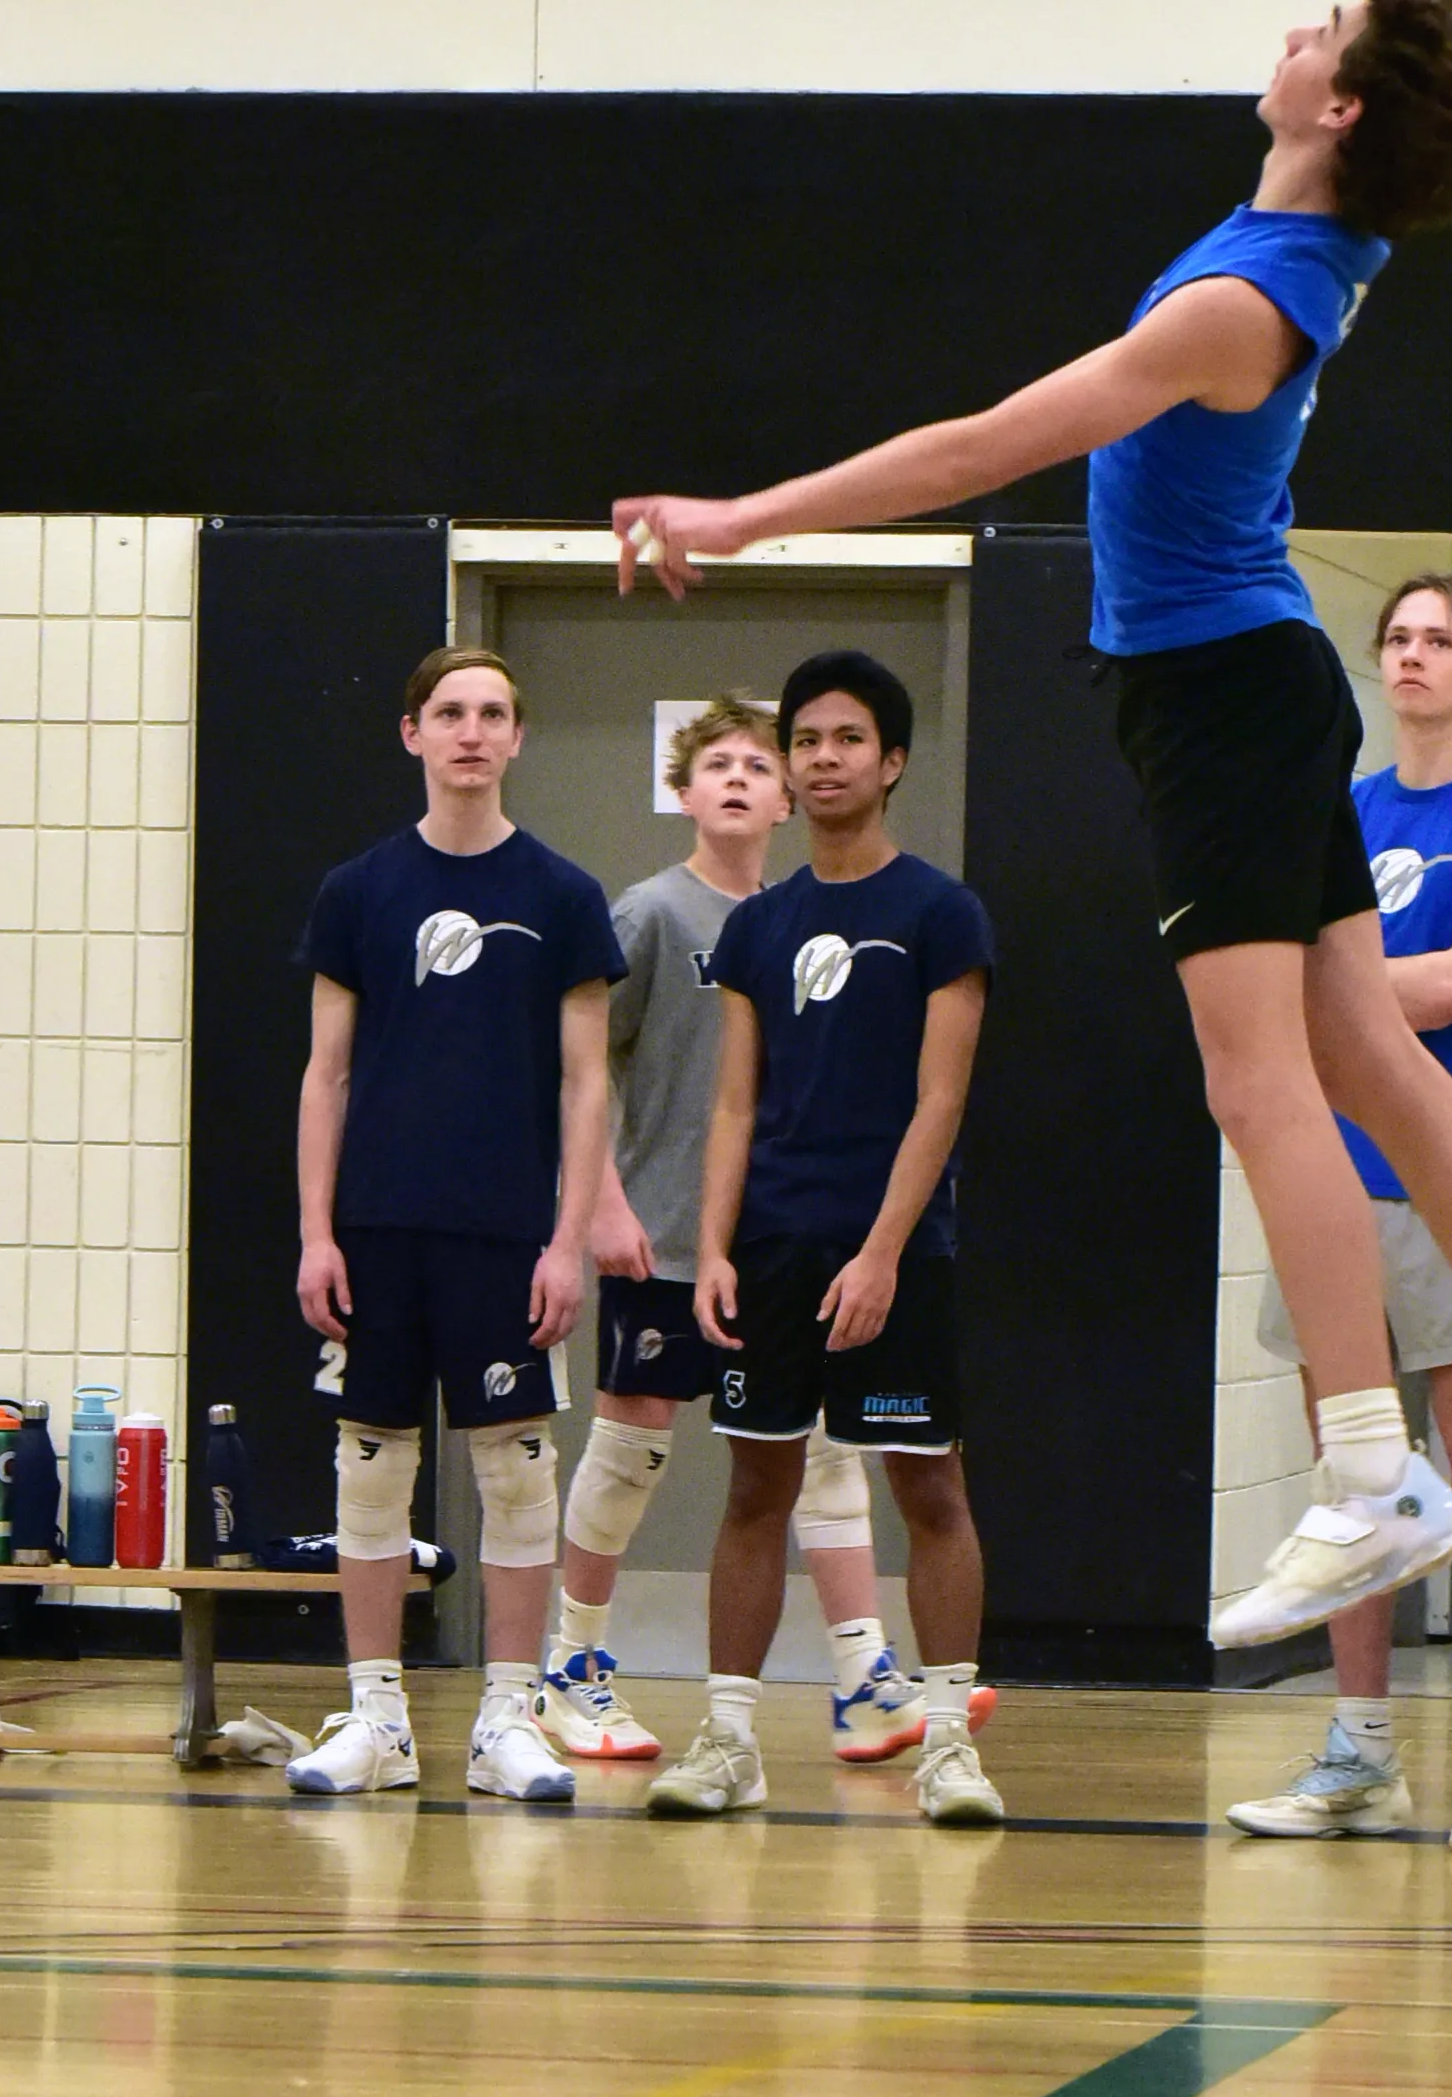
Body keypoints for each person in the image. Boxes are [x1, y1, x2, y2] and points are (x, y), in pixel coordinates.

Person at [612, 0, 1452, 1673]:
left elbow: (982, 447)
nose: (1292, 32)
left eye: (1322, 34)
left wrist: (744, 518)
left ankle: (1369, 1469)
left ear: (1341, 106)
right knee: (1369, 1059)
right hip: (1249, 688)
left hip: (1220, 701)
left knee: (1260, 1079)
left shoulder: (1241, 301)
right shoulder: (1326, 236)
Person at [1228, 568, 1452, 1856]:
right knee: (1353, 1481)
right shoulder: (1341, 812)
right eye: (1398, 638)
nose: (1413, 655)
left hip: (1445, 1186)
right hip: (1332, 1183)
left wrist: (1330, 1000)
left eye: (1439, 639)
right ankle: (1357, 1750)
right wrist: (1331, 1000)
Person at [648, 647, 1002, 1831]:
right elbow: (732, 1104)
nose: (822, 758)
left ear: (890, 761)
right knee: (755, 1487)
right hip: (772, 1246)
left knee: (929, 1488)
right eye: (805, 740)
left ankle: (946, 1745)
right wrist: (710, 1248)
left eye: (847, 738)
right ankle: (728, 1740)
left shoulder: (940, 914)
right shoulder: (759, 927)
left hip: (893, 1251)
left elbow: (939, 1102)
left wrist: (883, 1252)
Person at [550, 693, 913, 1769]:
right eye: (720, 767)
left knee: (824, 1454)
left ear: (789, 794)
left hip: (784, 1239)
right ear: (684, 792)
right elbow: (578, 1069)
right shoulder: (650, 914)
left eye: (761, 766)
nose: (743, 781)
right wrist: (604, 1203)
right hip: (665, 1234)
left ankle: (863, 1678)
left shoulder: (803, 918)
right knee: (631, 1448)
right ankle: (570, 1665)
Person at [291, 643, 618, 1807]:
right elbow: (326, 1074)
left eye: (490, 713)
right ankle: (375, 1718)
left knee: (517, 1476)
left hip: (504, 1235)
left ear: (516, 737)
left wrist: (566, 1242)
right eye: (448, 712)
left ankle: (506, 1723)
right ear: (413, 733)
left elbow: (587, 1084)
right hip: (377, 1230)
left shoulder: (563, 897)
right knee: (369, 1471)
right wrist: (316, 1232)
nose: (470, 732)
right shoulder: (357, 891)